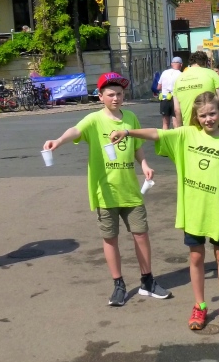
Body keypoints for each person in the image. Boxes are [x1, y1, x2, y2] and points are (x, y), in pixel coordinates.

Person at [110, 92, 219, 331]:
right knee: (196, 257)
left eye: (212, 113)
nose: (208, 119)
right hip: (193, 208)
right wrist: (128, 132)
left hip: (218, 209)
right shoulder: (186, 134)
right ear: (196, 116)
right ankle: (200, 305)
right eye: (203, 115)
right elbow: (157, 134)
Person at [43, 72, 170, 306]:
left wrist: (144, 164)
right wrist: (58, 141)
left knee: (141, 235)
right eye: (110, 94)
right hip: (105, 191)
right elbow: (75, 131)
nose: (116, 98)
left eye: (119, 94)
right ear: (100, 96)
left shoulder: (130, 117)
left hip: (130, 190)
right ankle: (118, 284)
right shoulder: (94, 120)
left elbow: (136, 146)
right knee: (110, 239)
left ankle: (147, 281)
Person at [173, 51, 219, 127]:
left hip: (188, 127)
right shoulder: (211, 74)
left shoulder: (179, 78)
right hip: (210, 124)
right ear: (205, 62)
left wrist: (181, 130)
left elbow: (177, 110)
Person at [157, 57, 183, 130]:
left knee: (165, 124)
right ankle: (176, 136)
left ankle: (165, 137)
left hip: (165, 98)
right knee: (176, 123)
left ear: (171, 64)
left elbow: (158, 87)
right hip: (176, 99)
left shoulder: (164, 72)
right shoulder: (181, 74)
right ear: (181, 65)